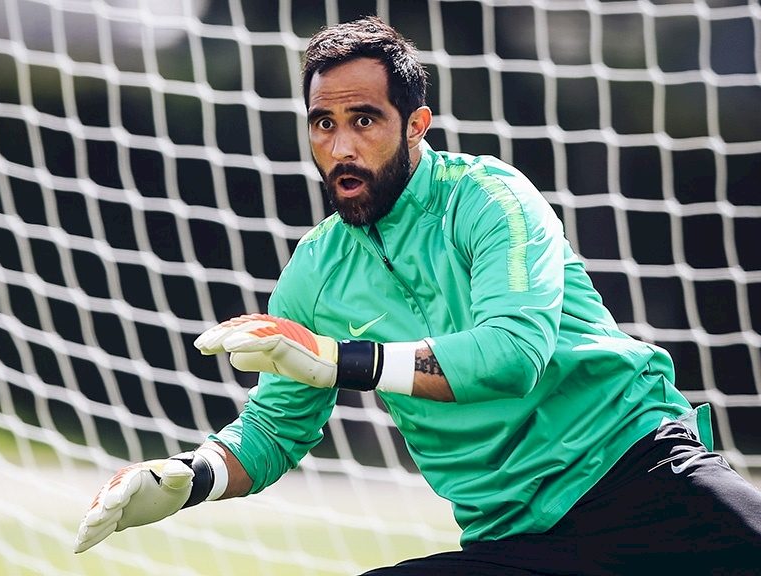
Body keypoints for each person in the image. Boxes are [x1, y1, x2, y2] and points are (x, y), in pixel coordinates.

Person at [73, 16, 761, 574]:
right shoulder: (316, 270)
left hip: (646, 479)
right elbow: (274, 427)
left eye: (364, 120)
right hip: (514, 540)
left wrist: (347, 359)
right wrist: (188, 478)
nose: (340, 145)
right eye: (323, 124)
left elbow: (513, 353)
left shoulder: (491, 198)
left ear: (416, 124)